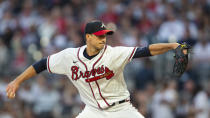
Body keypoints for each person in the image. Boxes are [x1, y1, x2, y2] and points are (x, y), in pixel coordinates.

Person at [6, 20, 181, 118]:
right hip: (93, 111)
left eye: (105, 36)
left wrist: (173, 45)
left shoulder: (114, 53)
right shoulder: (69, 56)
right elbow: (42, 64)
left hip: (121, 109)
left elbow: (146, 50)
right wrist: (17, 81)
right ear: (88, 37)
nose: (103, 39)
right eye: (99, 36)